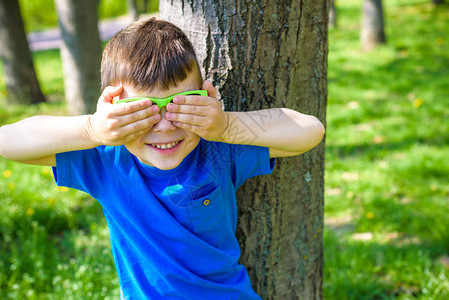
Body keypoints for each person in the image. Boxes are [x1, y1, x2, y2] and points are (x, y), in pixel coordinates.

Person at [0, 17, 325, 299]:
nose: (165, 126)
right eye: (142, 113)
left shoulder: (218, 150)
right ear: (114, 111)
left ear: (205, 99)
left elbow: (309, 130)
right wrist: (92, 130)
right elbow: (8, 141)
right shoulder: (105, 162)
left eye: (182, 106)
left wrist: (225, 125)